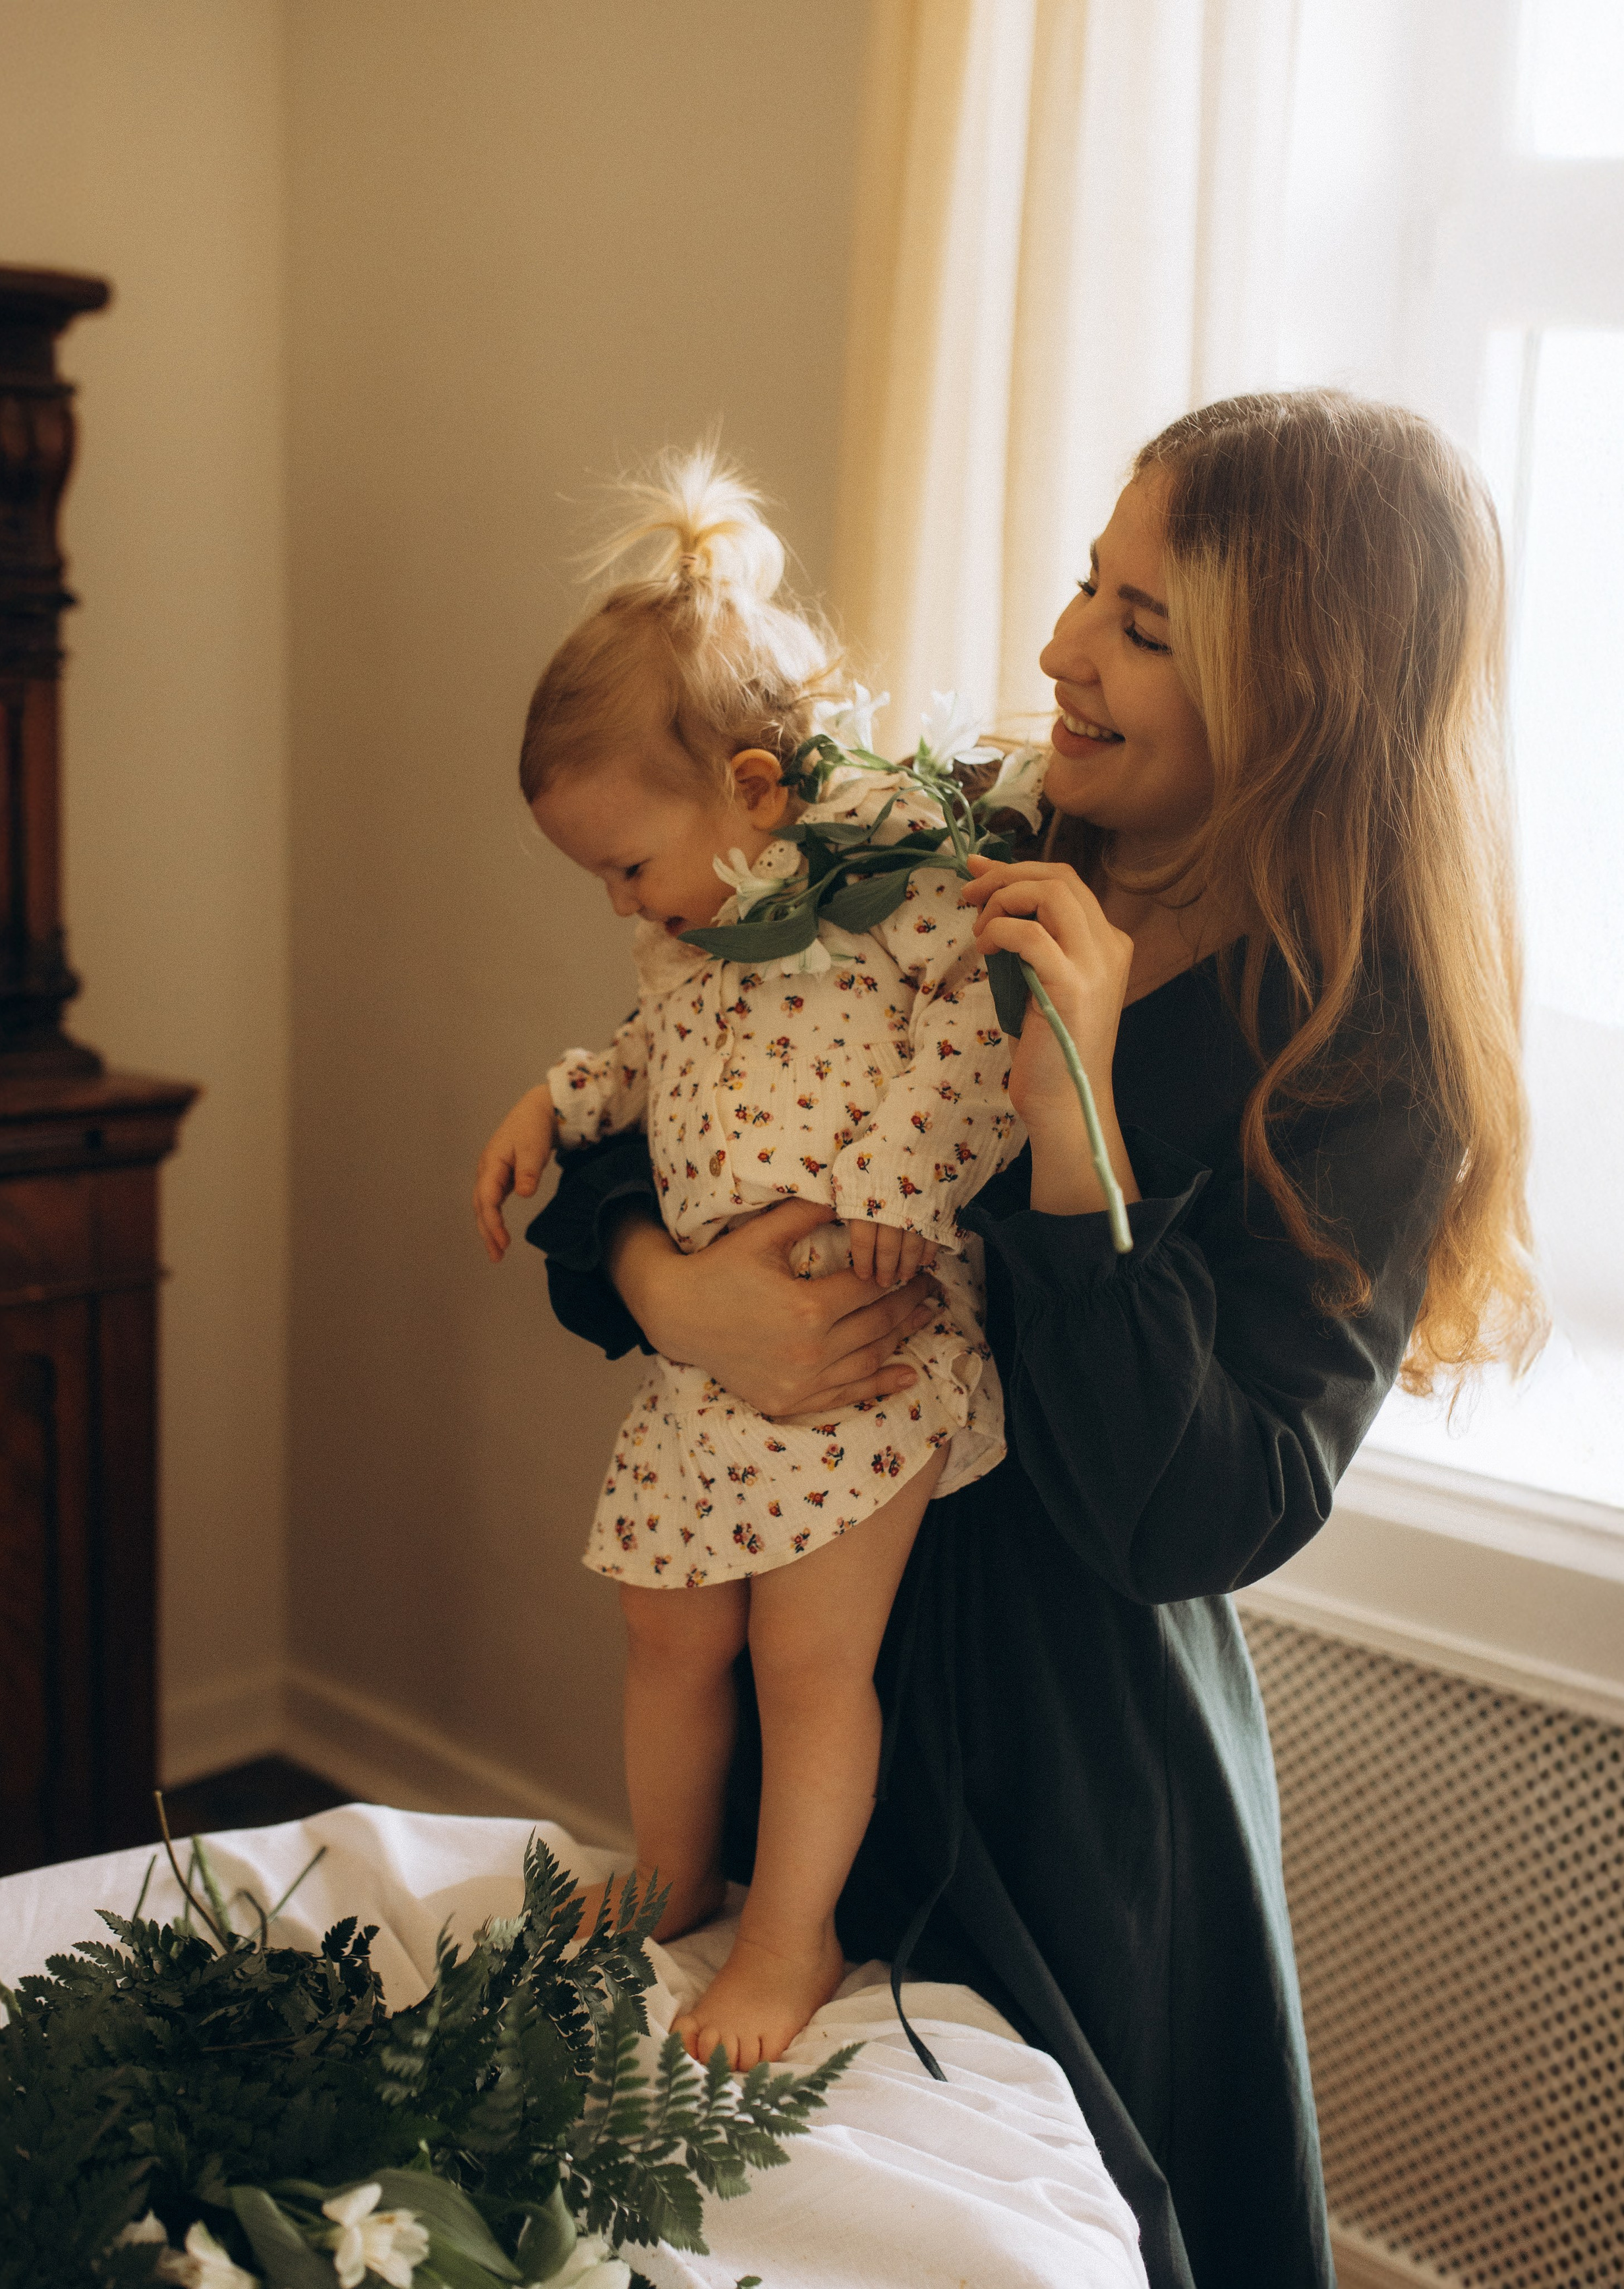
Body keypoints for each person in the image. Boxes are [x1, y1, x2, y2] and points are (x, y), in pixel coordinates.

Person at [523, 391, 1546, 2289]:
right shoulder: (935, 856)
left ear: (1302, 693)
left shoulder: (1362, 1060)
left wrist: (1076, 1139)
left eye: (1145, 625)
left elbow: (1198, 1519)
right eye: (1092, 584)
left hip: (1071, 1811)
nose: (1067, 646)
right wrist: (675, 1287)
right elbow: (680, 1083)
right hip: (807, 1712)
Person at [473, 451, 1025, 2070]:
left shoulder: (890, 897)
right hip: (718, 1371)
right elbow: (648, 1052)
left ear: (756, 789)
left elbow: (985, 1038)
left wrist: (883, 1194)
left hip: (867, 1348)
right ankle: (668, 1874)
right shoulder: (691, 940)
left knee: (804, 1655)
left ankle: (790, 1937)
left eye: (625, 862)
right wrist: (551, 1100)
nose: (616, 902)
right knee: (668, 1627)